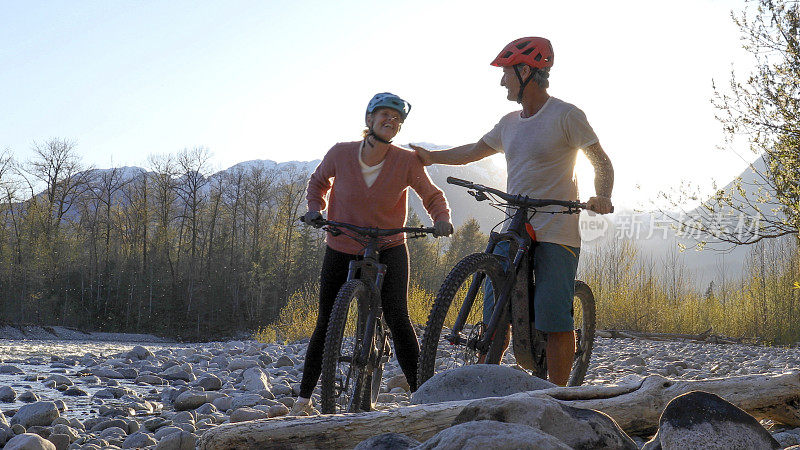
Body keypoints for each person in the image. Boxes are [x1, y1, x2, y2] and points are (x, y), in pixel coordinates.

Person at [411, 37, 614, 386]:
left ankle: (558, 397)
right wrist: (432, 157)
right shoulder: (508, 122)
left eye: (506, 73)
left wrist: (602, 196)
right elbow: (474, 150)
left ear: (526, 71)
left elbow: (601, 161)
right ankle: (486, 380)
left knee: (554, 318)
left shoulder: (566, 115)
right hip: (515, 223)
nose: (501, 81)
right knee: (494, 312)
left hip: (557, 228)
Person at [292, 92, 454, 415]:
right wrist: (314, 208)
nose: (390, 121)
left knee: (397, 317)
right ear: (369, 120)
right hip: (341, 242)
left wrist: (442, 220)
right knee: (326, 319)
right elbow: (318, 183)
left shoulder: (406, 161)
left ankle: (424, 395)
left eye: (396, 119)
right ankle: (303, 398)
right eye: (384, 115)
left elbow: (432, 195)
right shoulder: (340, 153)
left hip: (389, 245)